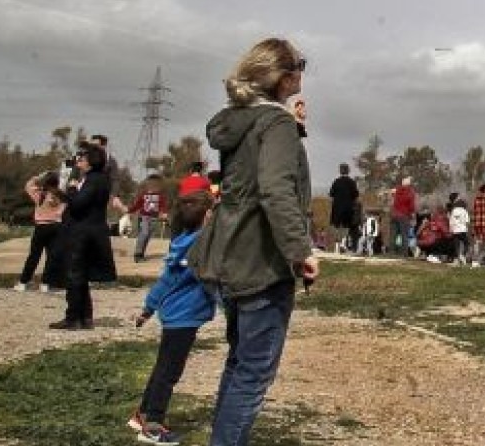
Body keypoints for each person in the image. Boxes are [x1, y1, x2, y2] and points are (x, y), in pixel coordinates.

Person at [188, 37, 316, 446]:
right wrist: (300, 252)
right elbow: (276, 190)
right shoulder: (275, 123)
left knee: (240, 361)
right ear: (281, 77)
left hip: (226, 254)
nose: (302, 73)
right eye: (299, 65)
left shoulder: (239, 120)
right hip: (259, 261)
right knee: (254, 372)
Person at [129, 193, 217, 445]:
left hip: (173, 315)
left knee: (162, 367)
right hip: (184, 317)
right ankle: (153, 426)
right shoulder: (200, 246)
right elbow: (212, 282)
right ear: (206, 217)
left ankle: (143, 414)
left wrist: (148, 309)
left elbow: (166, 280)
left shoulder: (183, 241)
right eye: (212, 211)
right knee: (169, 372)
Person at [48, 143, 117, 329]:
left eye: (82, 158)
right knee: (81, 275)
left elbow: (78, 204)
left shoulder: (94, 180)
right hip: (90, 230)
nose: (78, 161)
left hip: (83, 232)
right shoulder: (98, 178)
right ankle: (85, 316)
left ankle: (73, 318)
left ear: (91, 161)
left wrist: (71, 189)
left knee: (74, 275)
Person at [16, 172, 65, 292]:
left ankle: (23, 282)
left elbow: (28, 185)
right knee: (51, 257)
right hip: (56, 226)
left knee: (34, 256)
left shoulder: (40, 195)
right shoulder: (62, 196)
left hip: (41, 226)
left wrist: (39, 177)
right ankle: (45, 283)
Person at [132, 174, 169, 263]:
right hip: (144, 217)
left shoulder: (160, 196)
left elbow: (163, 205)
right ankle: (137, 254)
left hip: (154, 218)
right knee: (144, 233)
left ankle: (141, 253)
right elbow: (137, 205)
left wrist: (164, 213)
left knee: (148, 235)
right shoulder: (144, 195)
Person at [327, 164, 359, 253]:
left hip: (337, 208)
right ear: (348, 171)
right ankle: (343, 243)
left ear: (340, 171)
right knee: (346, 227)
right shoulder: (352, 182)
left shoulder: (336, 181)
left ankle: (337, 244)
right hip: (348, 208)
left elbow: (331, 195)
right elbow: (356, 195)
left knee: (336, 226)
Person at [390, 178, 418, 258]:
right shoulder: (410, 192)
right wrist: (412, 214)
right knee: (404, 235)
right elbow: (411, 206)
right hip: (404, 215)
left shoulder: (397, 190)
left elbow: (392, 195)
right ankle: (404, 253)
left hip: (394, 215)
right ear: (409, 184)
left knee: (393, 234)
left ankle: (391, 252)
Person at [448, 198, 472, 267]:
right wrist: (467, 228)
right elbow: (467, 221)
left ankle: (456, 260)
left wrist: (451, 229)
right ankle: (462, 255)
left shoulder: (454, 210)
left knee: (456, 245)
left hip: (455, 230)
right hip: (462, 230)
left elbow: (451, 221)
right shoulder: (464, 211)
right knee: (467, 243)